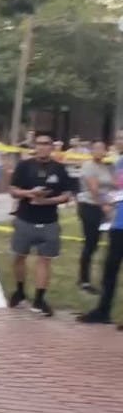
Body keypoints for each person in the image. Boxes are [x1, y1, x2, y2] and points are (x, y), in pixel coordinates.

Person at [8, 131, 72, 316]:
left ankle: (39, 299)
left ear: (52, 147)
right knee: (19, 257)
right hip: (25, 219)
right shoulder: (24, 166)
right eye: (39, 144)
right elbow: (12, 190)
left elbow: (67, 195)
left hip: (49, 221)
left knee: (44, 260)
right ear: (34, 146)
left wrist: (47, 201)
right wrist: (29, 193)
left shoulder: (59, 169)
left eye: (46, 143)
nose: (42, 147)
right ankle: (20, 292)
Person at [79, 131, 123, 326]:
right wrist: (107, 203)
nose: (119, 141)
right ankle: (103, 311)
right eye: (118, 138)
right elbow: (115, 191)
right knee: (110, 269)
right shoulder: (118, 164)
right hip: (117, 223)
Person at [74, 141, 114, 296]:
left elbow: (112, 186)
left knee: (97, 243)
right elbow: (94, 188)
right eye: (96, 148)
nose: (99, 151)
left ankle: (99, 278)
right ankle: (84, 280)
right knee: (90, 243)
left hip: (104, 208)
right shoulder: (88, 166)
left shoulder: (106, 167)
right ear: (91, 151)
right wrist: (104, 205)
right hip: (90, 207)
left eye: (102, 148)